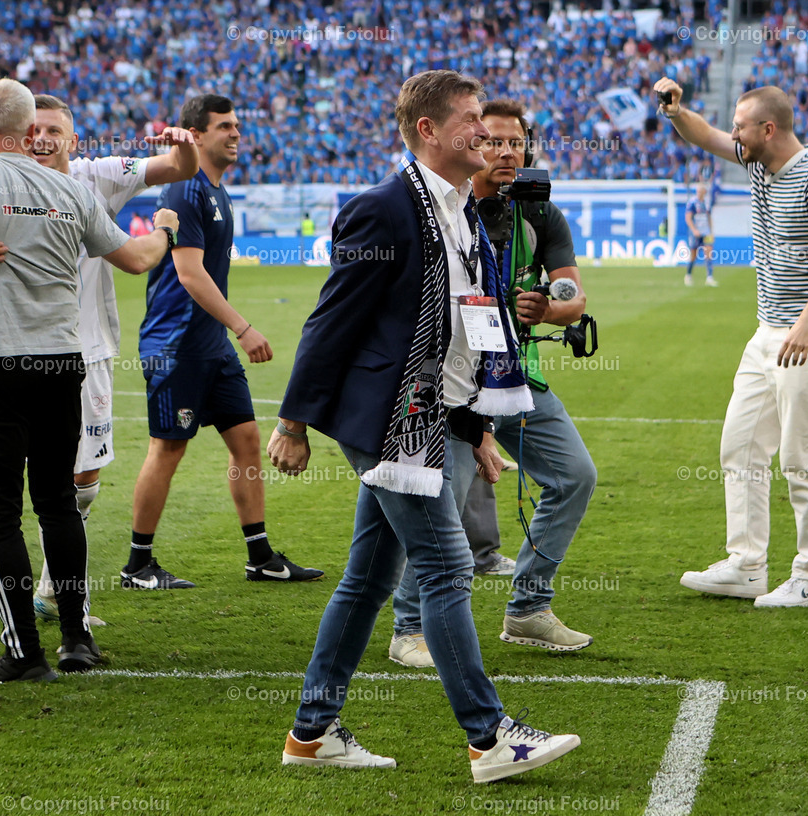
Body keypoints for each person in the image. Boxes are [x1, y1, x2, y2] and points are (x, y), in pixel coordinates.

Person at [267, 70, 580, 782]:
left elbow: (462, 336)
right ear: (428, 130)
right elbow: (330, 323)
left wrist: (478, 427)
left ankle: (311, 734)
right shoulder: (383, 210)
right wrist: (292, 422)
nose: (486, 132)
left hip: (434, 416)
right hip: (389, 422)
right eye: (471, 119)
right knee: (445, 567)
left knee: (367, 579)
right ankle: (489, 737)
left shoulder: (462, 210)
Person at [0, 79, 178, 682]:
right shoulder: (70, 190)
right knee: (58, 502)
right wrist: (164, 230)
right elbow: (137, 259)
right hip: (63, 362)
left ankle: (23, 653)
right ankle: (74, 638)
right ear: (28, 128)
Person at [388, 98, 596, 669]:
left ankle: (528, 607)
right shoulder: (447, 205)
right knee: (444, 500)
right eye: (494, 140)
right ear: (473, 143)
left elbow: (574, 298)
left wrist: (547, 308)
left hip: (515, 375)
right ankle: (409, 627)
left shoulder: (540, 213)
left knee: (575, 476)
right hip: (452, 380)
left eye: (516, 143)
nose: (506, 152)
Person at [653, 78, 808, 608]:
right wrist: (677, 112)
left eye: (741, 127)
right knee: (740, 446)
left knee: (801, 456)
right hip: (769, 331)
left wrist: (807, 322)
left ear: (768, 129)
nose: (733, 136)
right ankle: (746, 566)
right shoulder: (756, 161)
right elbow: (704, 136)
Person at [122, 94, 323, 589]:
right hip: (176, 343)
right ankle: (137, 565)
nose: (236, 133)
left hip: (210, 344)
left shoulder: (217, 190)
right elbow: (189, 273)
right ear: (195, 135)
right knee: (168, 447)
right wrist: (243, 327)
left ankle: (260, 557)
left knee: (247, 440)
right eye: (224, 126)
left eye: (237, 125)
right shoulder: (184, 189)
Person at [27, 93, 200, 625]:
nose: (42, 139)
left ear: (73, 140)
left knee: (84, 478)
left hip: (88, 351)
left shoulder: (96, 176)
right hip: (11, 352)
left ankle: (52, 589)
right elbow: (135, 259)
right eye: (32, 130)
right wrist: (164, 229)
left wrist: (184, 145)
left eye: (53, 130)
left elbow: (177, 167)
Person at [683, 181, 718, 287]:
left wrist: (711, 231)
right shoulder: (692, 202)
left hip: (706, 232)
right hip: (696, 233)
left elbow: (709, 217)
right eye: (698, 191)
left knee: (709, 253)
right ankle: (688, 275)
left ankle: (709, 277)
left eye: (701, 191)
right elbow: (688, 218)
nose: (699, 193)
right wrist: (694, 230)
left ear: (704, 192)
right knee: (694, 255)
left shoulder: (707, 203)